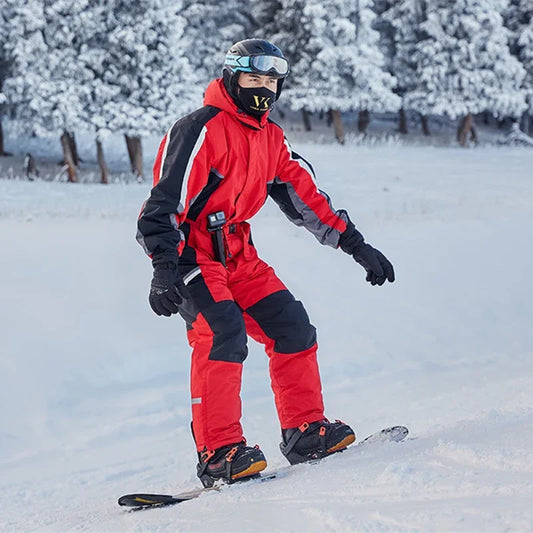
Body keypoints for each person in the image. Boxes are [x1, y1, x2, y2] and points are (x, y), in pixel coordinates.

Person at [136, 39, 395, 488]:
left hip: (239, 254)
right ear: (233, 78)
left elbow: (306, 197)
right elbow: (162, 205)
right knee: (222, 333)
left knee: (292, 326)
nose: (263, 89)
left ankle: (305, 432)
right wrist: (163, 267)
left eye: (271, 81)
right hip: (191, 253)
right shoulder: (201, 128)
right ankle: (219, 452)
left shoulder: (270, 136)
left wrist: (356, 246)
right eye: (253, 79)